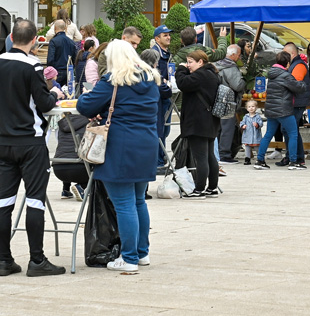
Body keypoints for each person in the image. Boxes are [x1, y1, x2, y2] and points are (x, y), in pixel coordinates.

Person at [0, 18, 68, 277]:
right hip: (31, 140)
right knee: (35, 200)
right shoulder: (33, 64)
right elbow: (43, 103)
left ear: (11, 37)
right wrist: (55, 94)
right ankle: (37, 260)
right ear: (35, 40)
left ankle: (4, 260)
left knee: (5, 200)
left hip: (5, 139)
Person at [77, 39, 161, 273]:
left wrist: (87, 93)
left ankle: (129, 258)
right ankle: (142, 253)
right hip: (146, 143)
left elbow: (85, 107)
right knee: (138, 201)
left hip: (120, 146)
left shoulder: (113, 81)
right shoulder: (150, 78)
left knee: (124, 204)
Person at [175, 49, 222, 196]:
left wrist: (180, 69)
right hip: (211, 121)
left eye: (190, 62)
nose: (188, 65)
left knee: (200, 157)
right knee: (209, 156)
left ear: (200, 62)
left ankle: (199, 189)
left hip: (198, 122)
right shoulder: (212, 74)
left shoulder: (199, 76)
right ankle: (212, 188)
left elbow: (182, 83)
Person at [257, 50, 305, 170]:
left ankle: (260, 160)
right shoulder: (285, 75)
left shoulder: (272, 73)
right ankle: (293, 162)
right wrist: (303, 83)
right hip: (284, 110)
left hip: (271, 109)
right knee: (293, 133)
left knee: (268, 134)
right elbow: (298, 87)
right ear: (288, 63)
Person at [281, 42, 310, 165]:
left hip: (297, 102)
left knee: (291, 130)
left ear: (292, 53)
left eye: (286, 53)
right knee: (289, 129)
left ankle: (297, 157)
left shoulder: (299, 65)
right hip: (294, 101)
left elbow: (294, 84)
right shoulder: (294, 64)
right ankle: (291, 155)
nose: (284, 56)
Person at [215, 44, 247, 163]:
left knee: (218, 128)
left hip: (217, 101)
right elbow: (237, 85)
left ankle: (217, 153)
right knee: (227, 128)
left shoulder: (217, 64)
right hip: (228, 102)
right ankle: (224, 155)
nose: (239, 57)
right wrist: (244, 79)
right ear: (233, 55)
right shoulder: (231, 68)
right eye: (238, 55)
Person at [148, 25, 173, 171]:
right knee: (159, 130)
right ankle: (157, 162)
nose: (169, 37)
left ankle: (160, 158)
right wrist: (166, 88)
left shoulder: (165, 53)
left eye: (169, 35)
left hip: (164, 97)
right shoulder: (155, 54)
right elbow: (156, 79)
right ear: (157, 38)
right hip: (158, 98)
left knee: (165, 131)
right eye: (165, 35)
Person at [46, 19, 76, 87]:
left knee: (56, 92)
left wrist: (50, 71)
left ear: (55, 28)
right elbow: (75, 58)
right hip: (69, 72)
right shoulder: (71, 42)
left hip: (56, 72)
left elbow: (50, 59)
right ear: (65, 28)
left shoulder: (53, 41)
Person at [239, 100, 264, 166]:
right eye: (249, 107)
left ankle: (260, 158)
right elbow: (241, 123)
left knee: (257, 148)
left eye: (253, 106)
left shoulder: (257, 116)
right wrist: (243, 126)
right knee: (247, 148)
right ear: (247, 108)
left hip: (255, 136)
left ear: (256, 108)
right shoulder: (245, 117)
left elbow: (261, 123)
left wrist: (257, 125)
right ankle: (247, 159)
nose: (251, 108)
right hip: (247, 136)